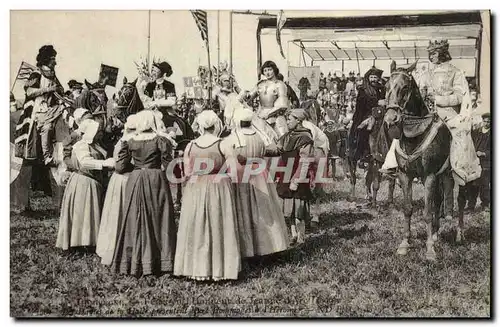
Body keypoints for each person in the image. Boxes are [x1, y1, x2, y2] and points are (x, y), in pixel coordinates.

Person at [380, 40, 482, 186]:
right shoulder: (426, 73)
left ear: (443, 53)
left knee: (457, 136)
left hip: (447, 113)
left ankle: (458, 168)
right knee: (402, 131)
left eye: (434, 53)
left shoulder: (455, 72)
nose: (431, 56)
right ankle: (392, 164)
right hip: (425, 114)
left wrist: (439, 99)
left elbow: (460, 96)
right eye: (430, 53)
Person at [174, 110, 241, 281]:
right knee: (219, 224)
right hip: (219, 187)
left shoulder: (191, 145)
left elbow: (187, 171)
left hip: (196, 187)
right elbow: (233, 169)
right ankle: (220, 268)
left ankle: (197, 267)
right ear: (215, 125)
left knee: (197, 225)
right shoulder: (223, 144)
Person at [111, 110, 177, 276]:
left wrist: (136, 167)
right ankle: (161, 261)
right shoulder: (160, 140)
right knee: (159, 218)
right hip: (155, 179)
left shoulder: (130, 141)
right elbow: (169, 166)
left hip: (135, 179)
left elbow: (120, 167)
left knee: (134, 218)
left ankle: (133, 261)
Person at [221, 108, 289, 257]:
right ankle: (269, 246)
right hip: (260, 173)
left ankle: (249, 249)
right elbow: (266, 151)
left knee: (245, 208)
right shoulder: (258, 136)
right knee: (263, 208)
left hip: (243, 175)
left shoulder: (234, 137)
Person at [56, 119, 114, 251]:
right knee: (81, 213)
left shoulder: (96, 145)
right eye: (98, 131)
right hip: (83, 182)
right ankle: (78, 243)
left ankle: (88, 241)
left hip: (92, 182)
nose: (101, 133)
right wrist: (105, 164)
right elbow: (85, 162)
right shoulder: (81, 145)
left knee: (89, 213)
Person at [96, 114, 137, 265]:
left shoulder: (123, 139)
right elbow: (121, 166)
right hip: (124, 179)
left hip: (119, 179)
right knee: (120, 212)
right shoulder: (128, 141)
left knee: (116, 213)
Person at [16, 45, 64, 166]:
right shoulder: (37, 73)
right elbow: (29, 91)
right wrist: (47, 89)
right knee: (47, 128)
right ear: (47, 59)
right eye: (53, 58)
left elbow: (60, 89)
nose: (56, 62)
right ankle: (46, 156)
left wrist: (59, 90)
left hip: (50, 107)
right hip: (37, 108)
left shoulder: (52, 74)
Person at [272, 109, 315, 244]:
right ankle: (293, 236)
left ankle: (301, 239)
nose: (288, 122)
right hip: (285, 175)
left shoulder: (305, 138)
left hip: (296, 177)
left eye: (290, 119)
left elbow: (305, 161)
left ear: (298, 121)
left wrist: (296, 180)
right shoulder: (287, 136)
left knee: (298, 212)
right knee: (288, 211)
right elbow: (276, 149)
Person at [348, 66, 385, 165]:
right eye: (371, 77)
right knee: (364, 130)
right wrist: (377, 102)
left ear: (378, 79)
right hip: (365, 114)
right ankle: (364, 153)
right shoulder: (363, 90)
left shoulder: (382, 88)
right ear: (368, 78)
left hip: (381, 114)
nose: (373, 79)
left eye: (375, 77)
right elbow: (361, 104)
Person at [243, 60, 288, 142]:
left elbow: (282, 104)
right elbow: (248, 97)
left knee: (283, 141)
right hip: (260, 117)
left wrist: (268, 114)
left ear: (274, 70)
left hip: (276, 116)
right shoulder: (260, 84)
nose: (267, 73)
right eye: (265, 70)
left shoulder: (280, 85)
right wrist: (237, 87)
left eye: (270, 69)